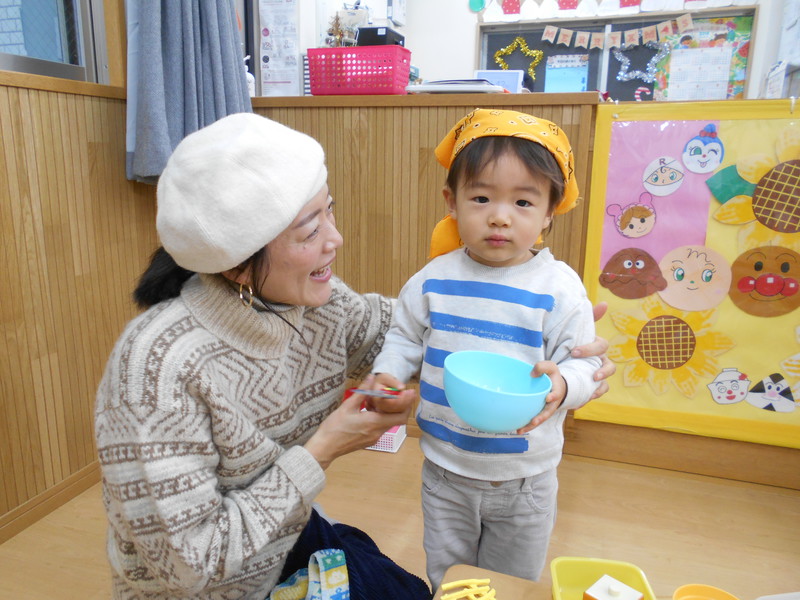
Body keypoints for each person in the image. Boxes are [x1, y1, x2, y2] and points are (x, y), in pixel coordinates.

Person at [95, 112, 613, 600]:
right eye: (310, 231)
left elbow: (405, 327)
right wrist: (319, 451)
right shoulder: (154, 372)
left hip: (288, 533)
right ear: (236, 266)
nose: (336, 240)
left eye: (330, 211)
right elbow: (189, 564)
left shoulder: (311, 302)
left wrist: (546, 343)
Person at [370, 108, 602, 590]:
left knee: (511, 584)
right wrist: (388, 374)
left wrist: (563, 384)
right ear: (451, 202)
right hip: (445, 469)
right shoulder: (434, 278)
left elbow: (588, 363)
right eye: (481, 197)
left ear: (550, 210)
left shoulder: (559, 288)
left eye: (522, 201)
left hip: (524, 478)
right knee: (447, 576)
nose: (499, 216)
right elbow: (405, 336)